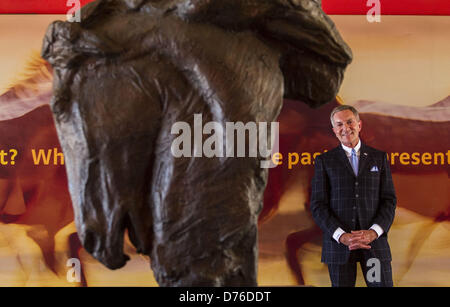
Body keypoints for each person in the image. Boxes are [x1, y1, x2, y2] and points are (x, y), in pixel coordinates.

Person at [310, 104, 396, 287]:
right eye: (339, 124)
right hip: (340, 248)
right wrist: (341, 236)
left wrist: (374, 232)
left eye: (349, 122)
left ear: (359, 125)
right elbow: (318, 205)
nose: (345, 128)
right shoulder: (324, 161)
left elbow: (388, 201)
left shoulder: (378, 158)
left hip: (374, 247)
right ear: (334, 130)